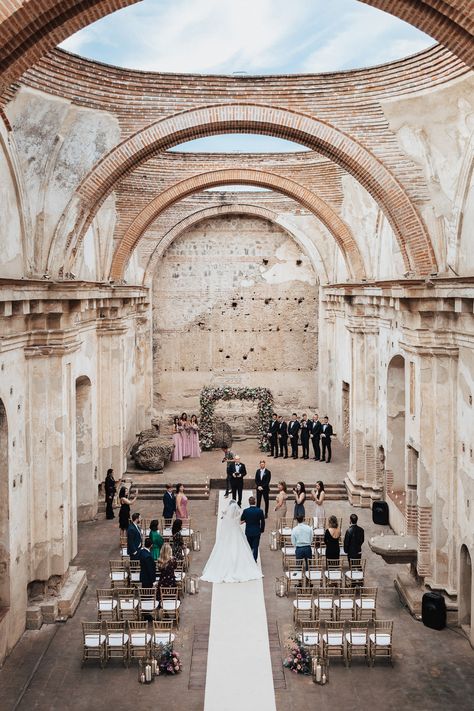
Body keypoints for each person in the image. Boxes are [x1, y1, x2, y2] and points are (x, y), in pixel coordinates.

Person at [201, 499, 263, 583]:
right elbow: (240, 520)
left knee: (226, 546)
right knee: (244, 546)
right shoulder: (239, 512)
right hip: (238, 531)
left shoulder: (228, 513)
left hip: (228, 533)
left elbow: (232, 519)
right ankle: (251, 561)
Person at [241, 496, 266, 561]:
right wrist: (262, 529)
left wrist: (247, 520)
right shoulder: (260, 511)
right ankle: (254, 559)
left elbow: (242, 519)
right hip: (257, 531)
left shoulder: (246, 511)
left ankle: (249, 559)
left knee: (249, 546)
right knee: (255, 546)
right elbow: (263, 521)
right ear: (255, 502)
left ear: (249, 502)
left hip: (248, 531)